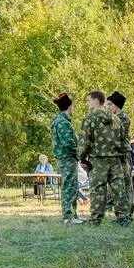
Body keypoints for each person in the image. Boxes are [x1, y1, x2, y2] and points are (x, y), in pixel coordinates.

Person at [78, 91, 131, 226]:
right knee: (119, 189)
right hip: (115, 159)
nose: (87, 103)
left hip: (97, 160)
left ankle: (95, 220)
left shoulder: (89, 118)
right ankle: (124, 218)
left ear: (96, 101)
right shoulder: (116, 118)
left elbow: (84, 141)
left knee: (98, 190)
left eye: (88, 100)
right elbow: (123, 141)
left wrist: (82, 158)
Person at [50, 93, 83, 223]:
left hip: (66, 158)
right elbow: (68, 143)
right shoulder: (62, 122)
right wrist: (80, 154)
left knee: (70, 186)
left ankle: (72, 215)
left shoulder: (60, 120)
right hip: (67, 158)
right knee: (69, 186)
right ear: (69, 107)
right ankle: (68, 216)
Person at [106, 91, 133, 216]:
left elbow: (114, 136)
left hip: (123, 154)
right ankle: (121, 213)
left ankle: (127, 213)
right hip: (117, 154)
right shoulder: (115, 118)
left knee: (126, 183)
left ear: (116, 105)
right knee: (118, 183)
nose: (108, 107)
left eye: (110, 105)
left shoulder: (123, 118)